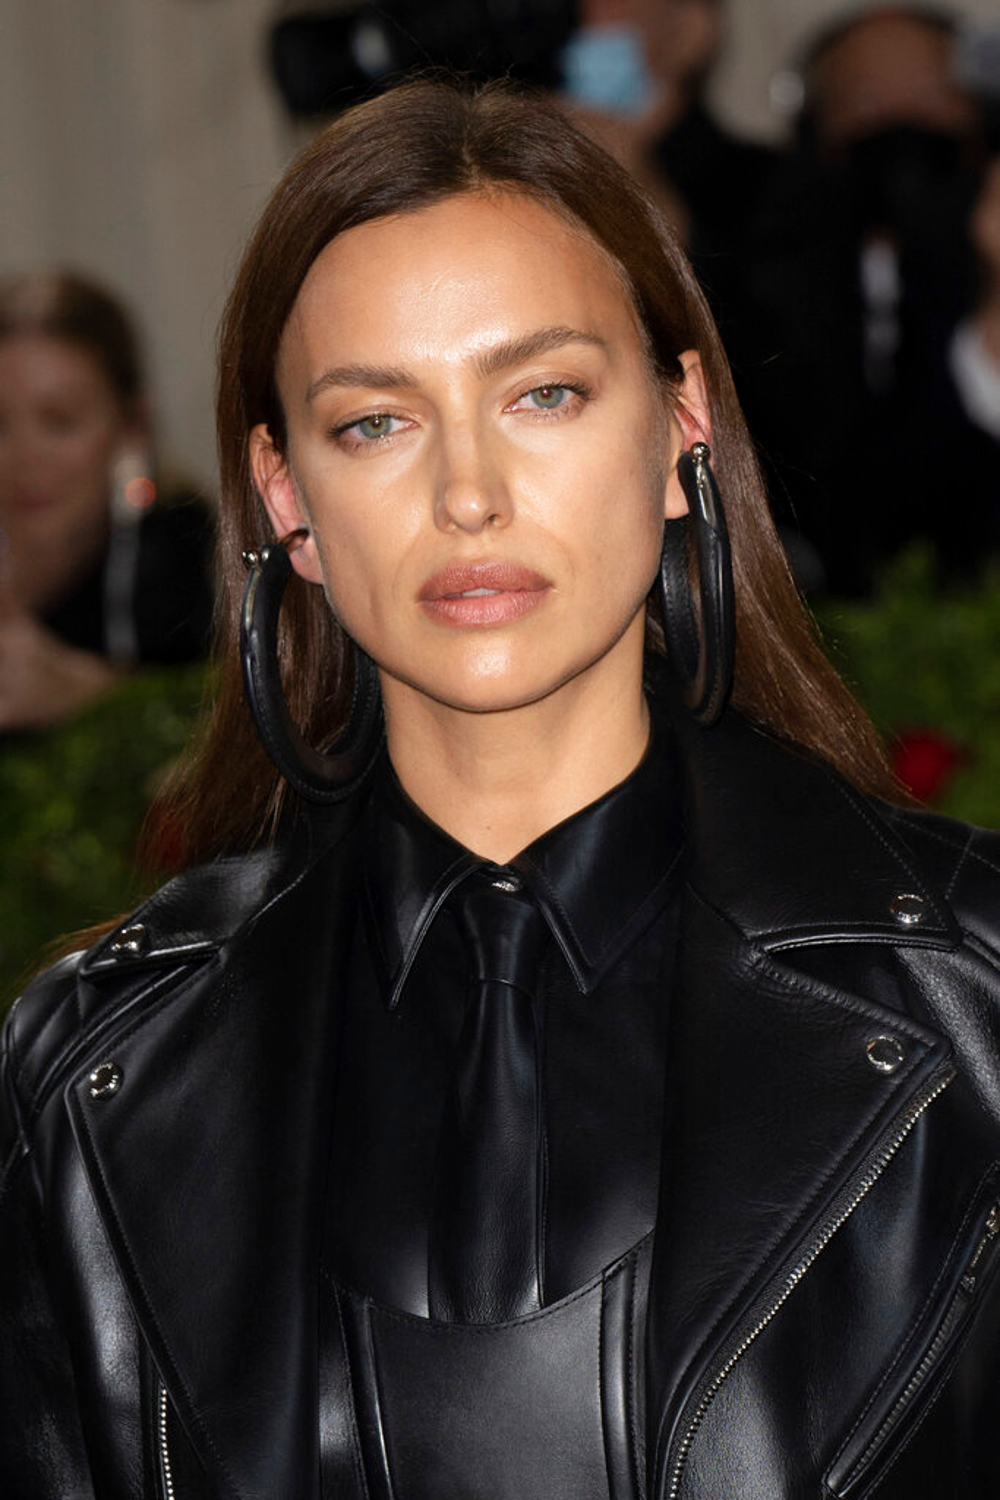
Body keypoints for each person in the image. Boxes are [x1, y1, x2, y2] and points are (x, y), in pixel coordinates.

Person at [1, 78, 999, 1500]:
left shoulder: (974, 992)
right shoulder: (96, 1064)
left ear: (680, 428)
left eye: (543, 394)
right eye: (375, 423)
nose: (467, 493)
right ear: (287, 500)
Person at [732, 6, 1000, 593]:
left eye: (931, 98)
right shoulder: (762, 279)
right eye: (866, 102)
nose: (900, 124)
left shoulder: (983, 261)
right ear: (814, 130)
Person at [0, 272, 214, 731]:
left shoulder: (189, 555)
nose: (25, 457)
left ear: (132, 427)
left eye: (59, 422)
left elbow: (228, 722)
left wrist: (86, 694)